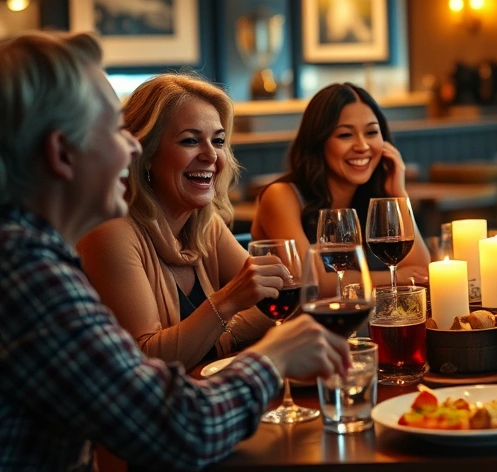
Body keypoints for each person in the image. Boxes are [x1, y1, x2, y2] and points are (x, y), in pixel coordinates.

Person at [0, 31, 351, 471]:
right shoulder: (26, 272)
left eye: (218, 141)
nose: (131, 146)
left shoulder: (32, 254)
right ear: (61, 153)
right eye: (114, 129)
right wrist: (274, 356)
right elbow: (180, 429)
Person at [78, 73, 281, 371]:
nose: (211, 155)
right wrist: (226, 303)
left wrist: (215, 334)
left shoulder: (203, 224)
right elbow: (144, 358)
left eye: (219, 141)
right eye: (190, 141)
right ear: (144, 153)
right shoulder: (112, 231)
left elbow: (276, 303)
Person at [251, 82, 429, 286]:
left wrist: (399, 194)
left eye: (371, 133)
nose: (362, 146)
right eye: (345, 135)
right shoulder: (281, 195)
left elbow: (422, 271)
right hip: (280, 318)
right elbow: (314, 283)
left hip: (354, 317)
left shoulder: (371, 197)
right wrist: (396, 277)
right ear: (318, 142)